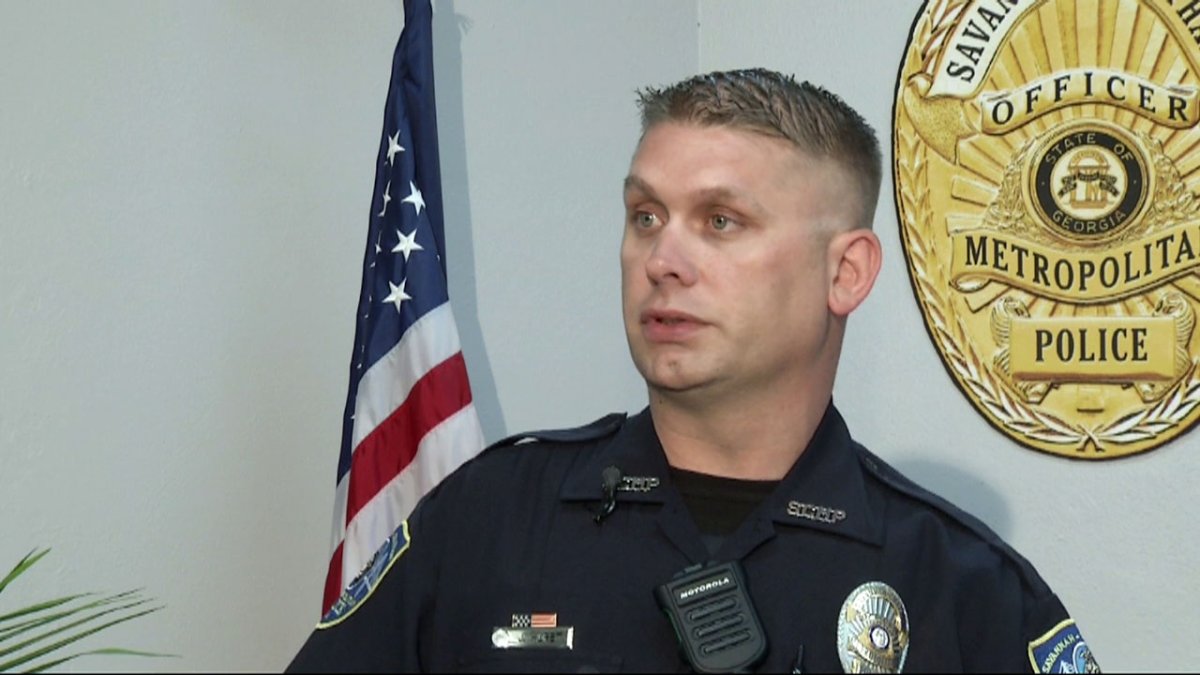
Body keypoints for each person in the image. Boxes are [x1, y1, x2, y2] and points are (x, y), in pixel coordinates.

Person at [287, 68, 1098, 673]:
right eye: (646, 216)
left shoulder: (965, 588)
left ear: (846, 272)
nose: (663, 259)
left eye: (721, 220)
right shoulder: (485, 521)